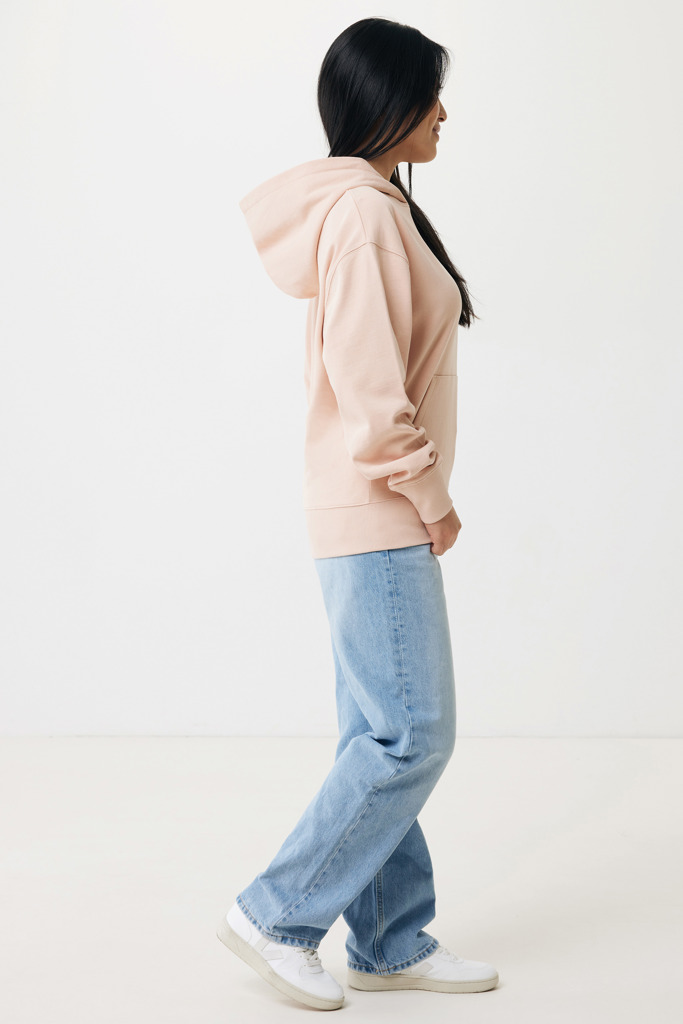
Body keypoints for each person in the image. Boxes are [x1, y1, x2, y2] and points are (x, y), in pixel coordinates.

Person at [217, 17, 499, 1012]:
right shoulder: (367, 218)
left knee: (375, 734)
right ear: (388, 101)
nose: (443, 113)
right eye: (429, 94)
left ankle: (387, 939)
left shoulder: (371, 207)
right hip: (378, 507)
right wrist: (431, 497)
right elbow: (370, 390)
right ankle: (276, 912)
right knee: (411, 735)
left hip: (359, 508)